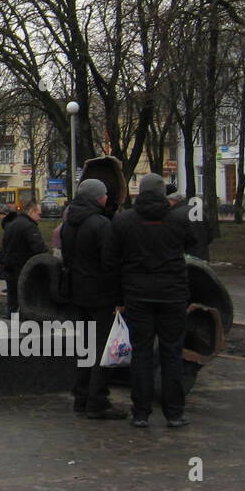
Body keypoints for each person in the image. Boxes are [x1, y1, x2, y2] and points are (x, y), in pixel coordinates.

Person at [105, 172, 197, 428]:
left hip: (137, 296)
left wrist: (118, 297)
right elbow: (193, 242)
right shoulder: (178, 219)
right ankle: (175, 412)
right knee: (172, 353)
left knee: (142, 354)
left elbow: (112, 261)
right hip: (173, 295)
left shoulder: (123, 221)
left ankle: (141, 412)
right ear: (161, 193)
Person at [64, 178, 127, 419]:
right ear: (96, 197)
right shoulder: (101, 224)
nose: (107, 198)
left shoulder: (70, 223)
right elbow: (110, 264)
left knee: (85, 347)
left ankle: (81, 396)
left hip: (77, 293)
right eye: (103, 194)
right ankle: (97, 400)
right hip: (100, 295)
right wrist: (119, 296)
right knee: (102, 349)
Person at [0, 199, 46, 317]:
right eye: (39, 214)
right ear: (31, 211)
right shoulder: (29, 227)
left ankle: (12, 325)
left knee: (13, 302)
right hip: (24, 270)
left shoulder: (12, 224)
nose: (40, 218)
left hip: (10, 269)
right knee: (26, 302)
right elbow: (39, 248)